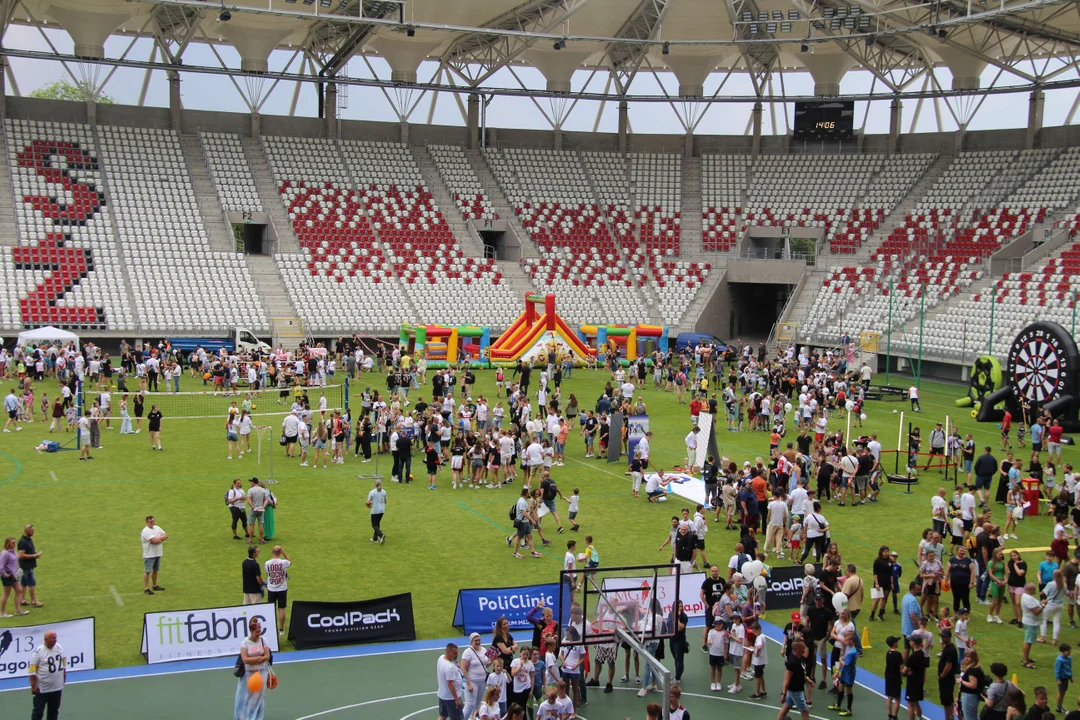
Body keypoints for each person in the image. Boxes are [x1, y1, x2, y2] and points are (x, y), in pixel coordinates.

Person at [235, 617, 271, 720]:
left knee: (259, 697)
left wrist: (255, 659)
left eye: (259, 632)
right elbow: (245, 659)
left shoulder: (264, 640)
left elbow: (267, 656)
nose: (258, 634)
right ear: (251, 631)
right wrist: (260, 658)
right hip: (248, 673)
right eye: (256, 632)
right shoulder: (245, 643)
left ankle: (257, 718)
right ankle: (242, 717)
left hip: (261, 671)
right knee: (244, 697)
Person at [28, 629, 65, 720]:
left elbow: (63, 663)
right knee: (38, 712)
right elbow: (32, 671)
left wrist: (64, 676)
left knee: (54, 712)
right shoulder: (38, 652)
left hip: (56, 688)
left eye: (56, 637)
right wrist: (33, 686)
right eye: (53, 638)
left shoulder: (59, 647)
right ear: (46, 639)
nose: (55, 640)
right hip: (42, 689)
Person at [778, 640, 812, 720]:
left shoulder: (799, 657)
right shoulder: (793, 662)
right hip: (795, 690)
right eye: (803, 646)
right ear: (797, 649)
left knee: (786, 707)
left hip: (795, 689)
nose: (805, 648)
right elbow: (787, 678)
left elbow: (801, 671)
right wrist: (784, 694)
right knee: (805, 712)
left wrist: (807, 679)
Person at [460, 633, 491, 720]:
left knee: (477, 704)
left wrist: (492, 660)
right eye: (475, 640)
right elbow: (463, 668)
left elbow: (485, 665)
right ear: (471, 641)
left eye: (479, 640)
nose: (477, 642)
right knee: (470, 705)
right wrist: (468, 684)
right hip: (472, 681)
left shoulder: (484, 650)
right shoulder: (467, 652)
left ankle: (472, 719)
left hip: (482, 681)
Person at [264, 545, 291, 634]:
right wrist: (284, 553)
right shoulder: (283, 562)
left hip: (271, 588)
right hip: (282, 588)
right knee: (281, 608)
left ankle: (271, 628)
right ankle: (281, 629)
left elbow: (268, 573)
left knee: (271, 609)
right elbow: (290, 562)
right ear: (280, 552)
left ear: (272, 552)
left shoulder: (267, 563)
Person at [17, 524, 44, 608]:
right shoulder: (22, 542)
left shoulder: (28, 539)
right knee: (32, 583)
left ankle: (22, 600)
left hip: (28, 565)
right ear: (26, 531)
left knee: (24, 583)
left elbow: (30, 550)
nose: (33, 532)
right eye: (31, 531)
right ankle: (34, 601)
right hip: (26, 566)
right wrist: (34, 556)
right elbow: (21, 555)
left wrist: (35, 553)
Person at [0, 536, 28, 617]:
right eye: (12, 543)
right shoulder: (5, 553)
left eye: (15, 542)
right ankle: (2, 612)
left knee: (19, 590)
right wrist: (5, 575)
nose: (14, 544)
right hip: (8, 576)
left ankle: (18, 610)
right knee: (6, 594)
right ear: (8, 544)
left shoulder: (13, 551)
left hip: (15, 576)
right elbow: (1, 566)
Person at [1020, 582, 1045, 669]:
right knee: (1028, 641)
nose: (1036, 590)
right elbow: (1036, 612)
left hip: (1031, 622)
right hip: (1030, 622)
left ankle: (1026, 657)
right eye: (1034, 588)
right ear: (1029, 590)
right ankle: (1025, 661)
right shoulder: (1028, 599)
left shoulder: (1028, 597)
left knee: (1029, 641)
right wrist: (1043, 605)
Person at [140, 515, 167, 595]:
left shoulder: (157, 527)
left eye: (153, 521)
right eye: (150, 521)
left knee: (155, 570)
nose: (152, 522)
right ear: (146, 522)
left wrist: (159, 539)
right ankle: (146, 588)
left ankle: (155, 585)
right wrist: (160, 539)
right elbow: (154, 541)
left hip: (158, 553)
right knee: (147, 571)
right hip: (149, 554)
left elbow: (166, 535)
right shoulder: (145, 531)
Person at [437, 643, 464, 720]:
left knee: (443, 715)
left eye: (457, 652)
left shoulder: (441, 658)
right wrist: (456, 699)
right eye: (454, 653)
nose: (456, 655)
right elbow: (450, 684)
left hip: (443, 695)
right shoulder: (450, 667)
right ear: (448, 652)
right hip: (451, 699)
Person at [902, 635, 926, 720]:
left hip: (912, 683)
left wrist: (904, 671)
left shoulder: (912, 657)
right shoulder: (922, 654)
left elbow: (904, 671)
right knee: (916, 702)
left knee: (910, 704)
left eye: (910, 641)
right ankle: (919, 717)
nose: (909, 642)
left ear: (913, 643)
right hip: (919, 681)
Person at [938, 629, 959, 720]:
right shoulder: (948, 647)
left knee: (947, 701)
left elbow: (948, 665)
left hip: (947, 679)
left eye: (944, 637)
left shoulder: (950, 650)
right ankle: (949, 717)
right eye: (941, 636)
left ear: (949, 638)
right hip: (947, 679)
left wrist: (942, 675)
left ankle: (949, 718)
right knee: (947, 700)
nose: (942, 638)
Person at [246, 477, 269, 545]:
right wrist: (263, 507)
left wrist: (252, 507)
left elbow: (248, 500)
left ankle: (250, 540)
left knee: (251, 525)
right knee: (261, 524)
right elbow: (266, 499)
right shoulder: (263, 490)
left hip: (253, 509)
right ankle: (261, 539)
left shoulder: (250, 490)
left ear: (253, 482)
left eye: (251, 482)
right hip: (260, 509)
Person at [367, 478, 388, 544]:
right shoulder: (384, 492)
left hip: (375, 511)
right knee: (377, 523)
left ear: (375, 485)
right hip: (382, 510)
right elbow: (385, 501)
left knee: (374, 525)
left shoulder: (372, 492)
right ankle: (375, 538)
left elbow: (368, 502)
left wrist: (368, 504)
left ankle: (381, 535)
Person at [1056, 644, 1072, 714]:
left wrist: (1070, 677)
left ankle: (1060, 706)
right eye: (1067, 651)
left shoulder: (1069, 658)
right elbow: (1057, 670)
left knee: (1063, 693)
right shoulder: (1059, 660)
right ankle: (1058, 708)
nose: (1069, 652)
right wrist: (1058, 679)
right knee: (1060, 693)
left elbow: (1069, 668)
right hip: (1062, 679)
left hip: (1066, 678)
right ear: (1062, 651)